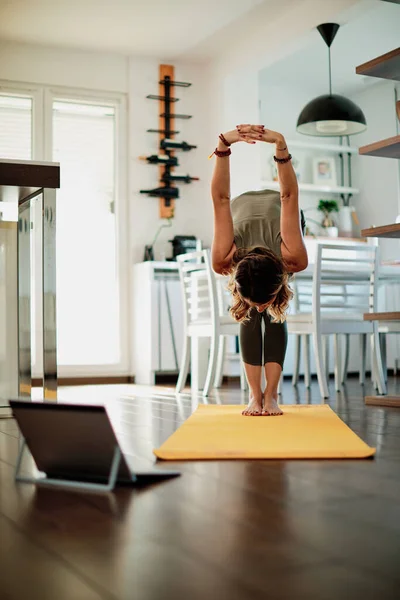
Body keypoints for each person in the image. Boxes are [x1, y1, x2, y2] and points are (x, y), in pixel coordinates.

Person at [210, 124, 308, 416]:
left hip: (278, 213)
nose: (261, 305)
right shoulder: (224, 258)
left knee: (275, 314)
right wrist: (222, 145)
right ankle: (255, 396)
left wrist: (280, 145)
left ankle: (272, 394)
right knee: (250, 314)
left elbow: (288, 196)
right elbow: (222, 199)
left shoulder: (292, 257)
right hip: (242, 208)